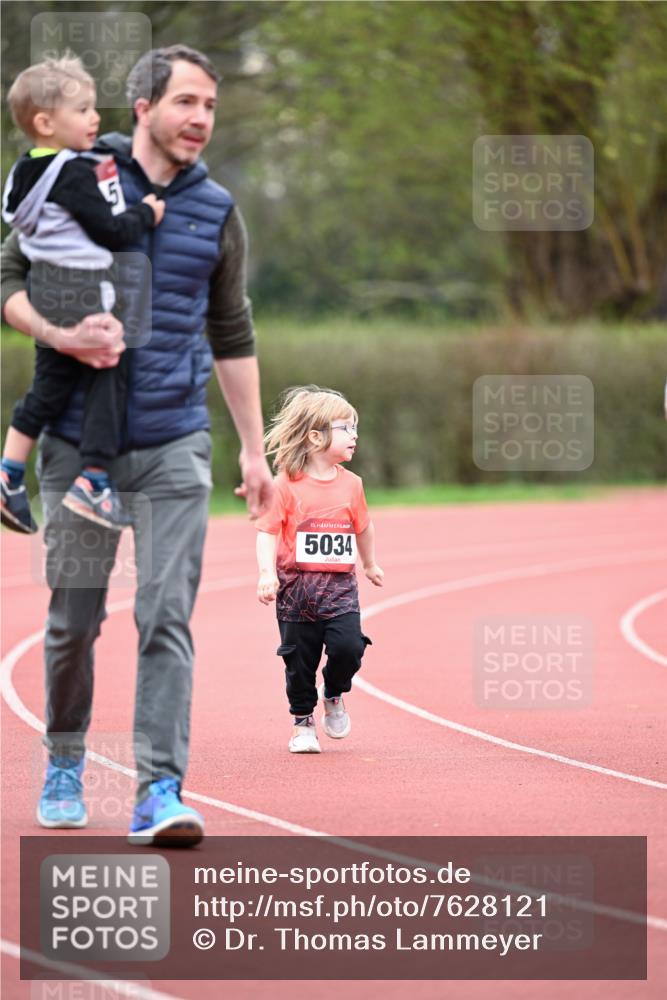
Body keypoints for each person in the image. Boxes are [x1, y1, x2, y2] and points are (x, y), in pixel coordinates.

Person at [1, 44, 273, 846]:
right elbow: (6, 276)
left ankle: (160, 790)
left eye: (211, 107)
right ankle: (64, 757)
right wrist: (56, 332)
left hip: (175, 443)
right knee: (73, 623)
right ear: (141, 109)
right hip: (78, 439)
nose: (200, 120)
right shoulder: (79, 173)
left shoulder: (218, 210)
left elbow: (233, 332)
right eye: (187, 102)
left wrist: (254, 450)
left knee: (165, 617)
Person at [1, 53, 165, 535]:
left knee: (49, 386)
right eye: (83, 109)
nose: (95, 118)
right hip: (81, 287)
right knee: (109, 368)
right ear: (46, 122)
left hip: (44, 285)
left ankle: (9, 470)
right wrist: (148, 212)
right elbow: (111, 232)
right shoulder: (73, 172)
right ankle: (94, 478)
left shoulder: (22, 173)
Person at [255, 386, 384, 753]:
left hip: (341, 590)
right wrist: (267, 573)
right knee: (299, 663)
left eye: (355, 427)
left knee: (348, 648)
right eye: (347, 428)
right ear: (315, 436)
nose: (355, 435)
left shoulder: (353, 484)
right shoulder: (283, 486)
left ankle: (334, 692)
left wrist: (370, 563)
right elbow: (266, 531)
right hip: (296, 594)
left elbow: (363, 527)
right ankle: (302, 723)